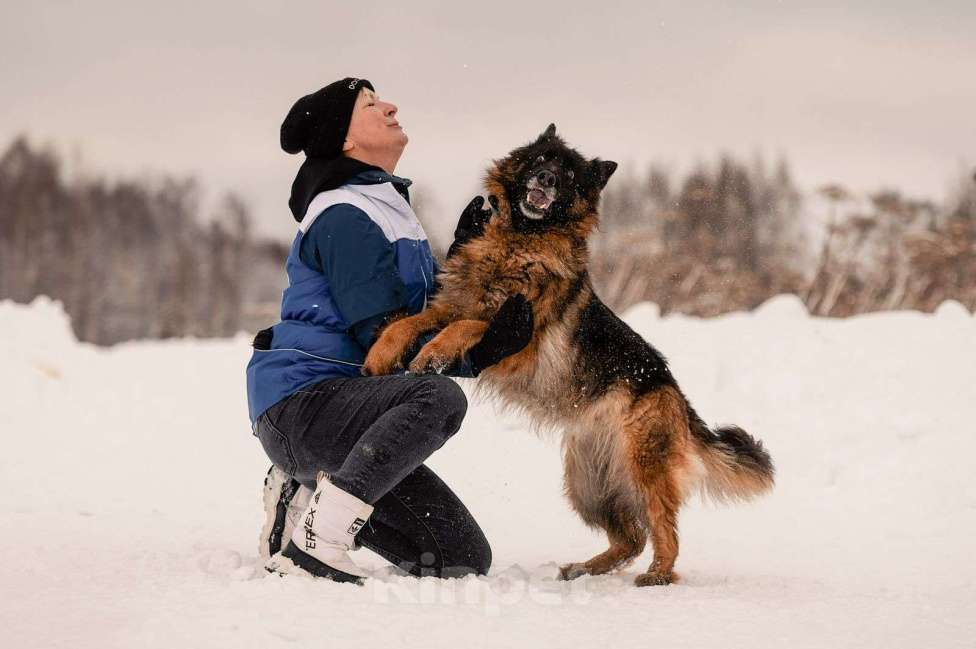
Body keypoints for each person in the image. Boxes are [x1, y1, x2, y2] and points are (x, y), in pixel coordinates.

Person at [246, 77, 534, 584]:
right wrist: (477, 351)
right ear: (344, 141)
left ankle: (310, 490)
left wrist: (463, 259)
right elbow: (382, 337)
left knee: (458, 558)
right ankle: (320, 540)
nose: (390, 106)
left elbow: (409, 314)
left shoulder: (383, 205)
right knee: (438, 399)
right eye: (371, 104)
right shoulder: (345, 214)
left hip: (348, 416)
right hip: (307, 406)